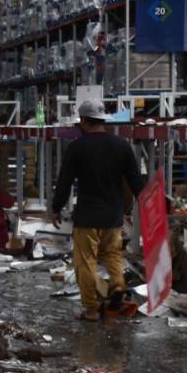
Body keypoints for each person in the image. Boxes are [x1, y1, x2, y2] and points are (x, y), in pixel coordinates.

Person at [51, 98, 146, 321]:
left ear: (83, 120)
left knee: (85, 262)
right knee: (113, 255)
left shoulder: (77, 147)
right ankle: (117, 285)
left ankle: (91, 309)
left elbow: (64, 182)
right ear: (103, 120)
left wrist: (56, 208)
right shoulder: (122, 145)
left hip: (87, 216)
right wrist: (146, 205)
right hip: (113, 215)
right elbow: (135, 181)